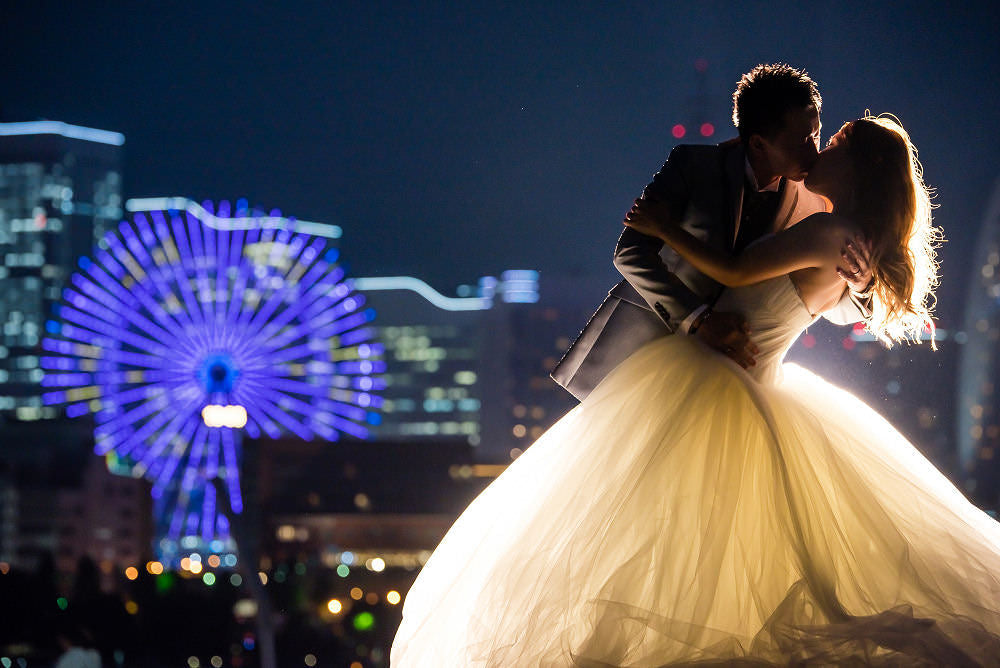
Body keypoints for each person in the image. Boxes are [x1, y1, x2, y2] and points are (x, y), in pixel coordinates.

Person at [390, 114, 1000, 666]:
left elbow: (733, 272)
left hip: (715, 380)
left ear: (860, 167)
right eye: (817, 135)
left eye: (833, 141)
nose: (820, 148)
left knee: (660, 529)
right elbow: (827, 304)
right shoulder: (846, 243)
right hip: (746, 381)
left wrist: (663, 228)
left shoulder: (829, 230)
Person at [551, 63, 874, 399]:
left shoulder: (817, 205)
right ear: (759, 144)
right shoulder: (693, 167)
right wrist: (698, 320)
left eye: (817, 134)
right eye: (802, 140)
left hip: (739, 381)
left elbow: (822, 305)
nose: (814, 151)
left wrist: (860, 286)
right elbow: (630, 253)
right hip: (647, 358)